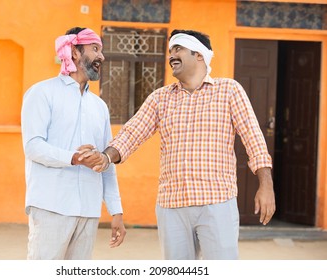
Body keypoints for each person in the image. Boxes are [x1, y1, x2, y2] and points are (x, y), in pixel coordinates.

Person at [84, 29, 275, 260]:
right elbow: (131, 134)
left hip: (216, 202)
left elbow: (254, 139)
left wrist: (266, 185)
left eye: (178, 49)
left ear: (199, 55)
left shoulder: (229, 91)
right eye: (170, 51)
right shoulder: (160, 98)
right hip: (171, 206)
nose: (171, 55)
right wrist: (105, 157)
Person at [21, 27, 126, 260]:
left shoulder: (99, 106)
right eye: (95, 49)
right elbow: (33, 146)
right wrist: (74, 158)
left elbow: (106, 162)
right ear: (75, 52)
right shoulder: (42, 93)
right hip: (51, 206)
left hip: (88, 210)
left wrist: (116, 211)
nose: (102, 57)